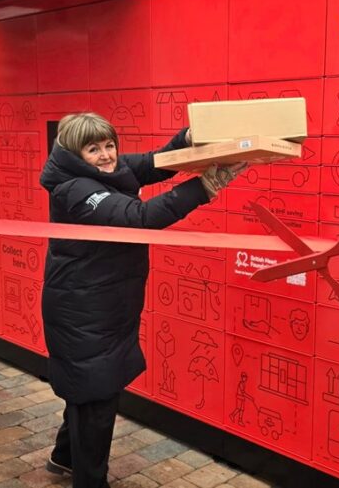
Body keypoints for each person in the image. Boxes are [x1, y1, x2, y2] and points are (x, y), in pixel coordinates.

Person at [39, 112, 244, 488]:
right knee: (97, 400)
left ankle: (64, 457)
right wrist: (204, 188)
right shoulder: (76, 190)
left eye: (109, 144)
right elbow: (141, 217)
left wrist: (192, 137)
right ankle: (90, 481)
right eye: (93, 149)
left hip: (102, 303)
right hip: (82, 311)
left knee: (88, 390)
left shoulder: (105, 171)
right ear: (73, 153)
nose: (106, 155)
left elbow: (154, 163)